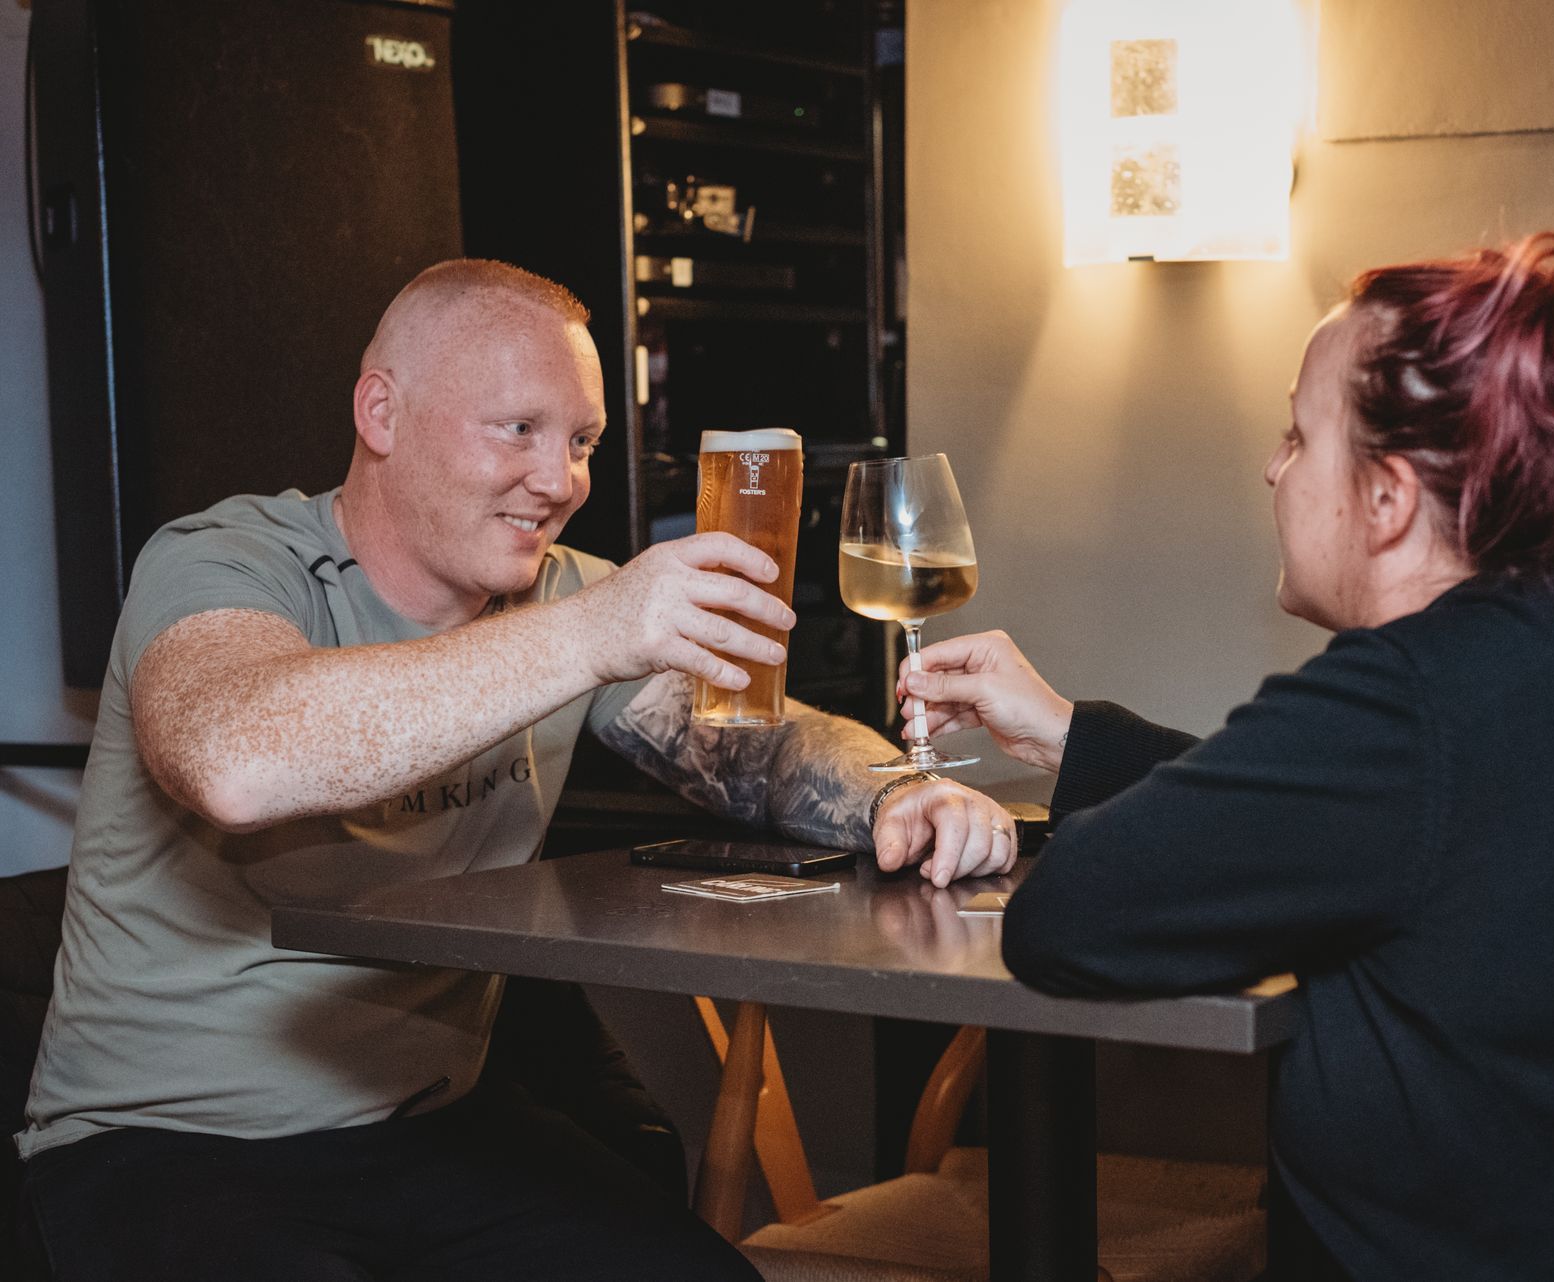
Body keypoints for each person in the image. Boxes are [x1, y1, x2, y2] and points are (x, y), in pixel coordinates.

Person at [903, 224, 1554, 1280]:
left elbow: (1066, 919)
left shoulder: (1413, 696)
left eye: (1297, 437)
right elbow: (1394, 829)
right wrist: (1076, 740)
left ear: (1387, 499)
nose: (1270, 469)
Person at [15, 259, 1016, 1282]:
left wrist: (901, 790)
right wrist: (594, 633)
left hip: (431, 1129)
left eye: (581, 440)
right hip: (167, 1146)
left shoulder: (560, 599)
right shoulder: (221, 561)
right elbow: (236, 760)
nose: (563, 479)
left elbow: (759, 749)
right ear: (381, 411)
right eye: (520, 430)